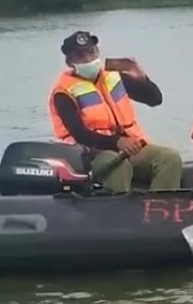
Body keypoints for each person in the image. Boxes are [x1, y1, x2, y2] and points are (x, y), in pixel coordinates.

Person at [48, 31, 182, 192]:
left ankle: (159, 210)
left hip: (130, 147)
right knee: (119, 165)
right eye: (80, 56)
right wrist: (117, 142)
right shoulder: (63, 92)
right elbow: (80, 134)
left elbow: (155, 100)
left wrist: (142, 79)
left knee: (169, 158)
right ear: (70, 62)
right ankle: (119, 212)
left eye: (92, 52)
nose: (88, 59)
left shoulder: (114, 76)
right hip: (91, 154)